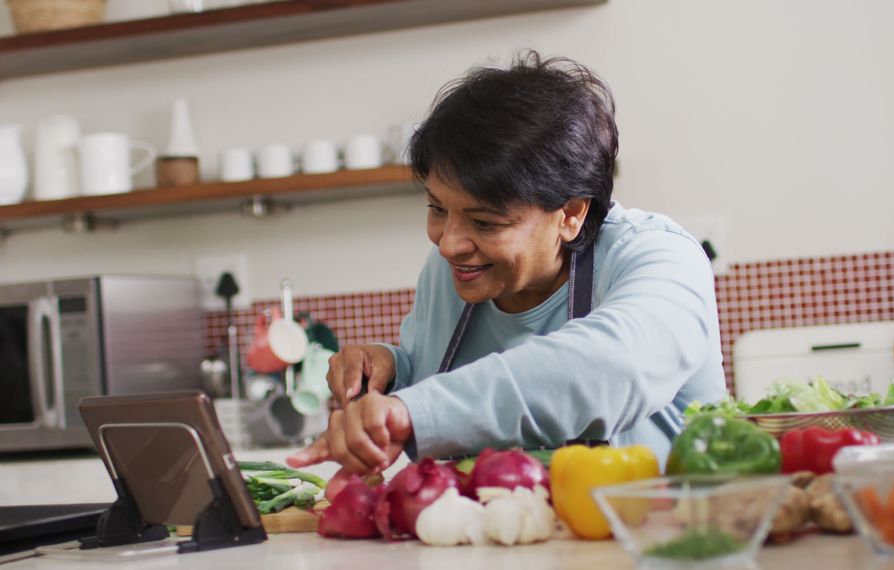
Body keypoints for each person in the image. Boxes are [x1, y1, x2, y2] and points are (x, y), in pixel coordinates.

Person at [288, 51, 726, 475]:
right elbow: (445, 384)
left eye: (484, 221)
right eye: (437, 209)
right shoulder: (454, 269)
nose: (449, 245)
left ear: (571, 214)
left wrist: (411, 412)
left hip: (665, 534)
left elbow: (611, 367)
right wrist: (391, 369)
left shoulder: (660, 256)